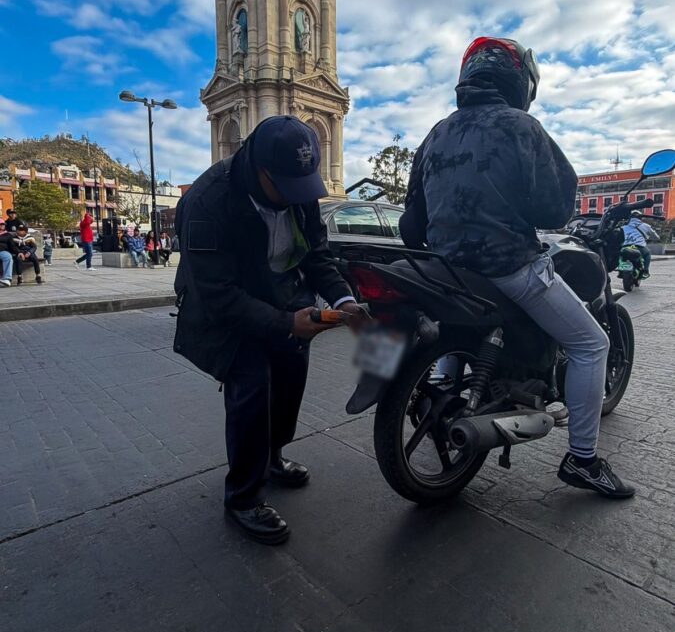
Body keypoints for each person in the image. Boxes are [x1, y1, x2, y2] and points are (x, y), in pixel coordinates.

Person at [404, 36, 634, 500]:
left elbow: (413, 220)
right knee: (593, 343)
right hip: (507, 264)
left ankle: (449, 382)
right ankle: (583, 460)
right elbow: (554, 210)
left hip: (448, 270)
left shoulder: (437, 133)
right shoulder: (522, 127)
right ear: (520, 81)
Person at [174, 115, 368, 544]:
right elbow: (216, 293)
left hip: (283, 293)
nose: (297, 197)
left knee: (290, 379)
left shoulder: (300, 192)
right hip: (227, 307)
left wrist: (344, 301)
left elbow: (317, 255)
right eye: (287, 187)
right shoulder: (209, 201)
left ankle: (273, 456)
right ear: (260, 169)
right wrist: (286, 323)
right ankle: (243, 497)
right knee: (251, 386)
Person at [0, 218, 16, 287]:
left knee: (8, 257)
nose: (2, 225)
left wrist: (19, 252)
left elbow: (12, 246)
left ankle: (7, 279)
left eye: (3, 224)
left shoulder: (7, 235)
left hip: (2, 251)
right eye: (1, 224)